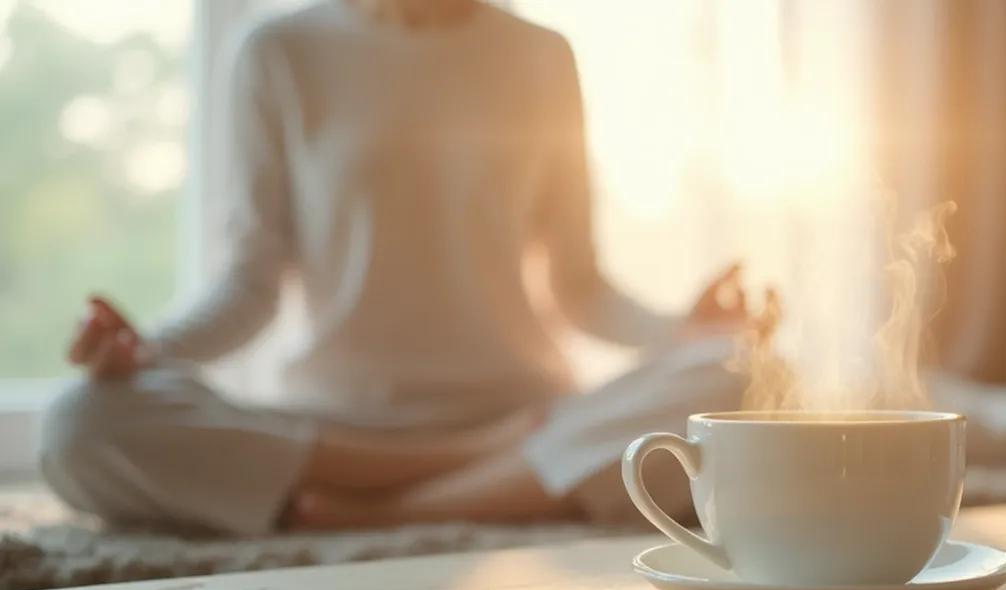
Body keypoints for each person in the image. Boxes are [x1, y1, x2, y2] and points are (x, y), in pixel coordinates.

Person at [39, 0, 747, 534]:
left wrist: (681, 331)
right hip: (341, 435)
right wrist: (148, 351)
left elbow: (578, 284)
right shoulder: (280, 52)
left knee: (736, 373)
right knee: (76, 426)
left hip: (524, 411)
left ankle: (379, 515)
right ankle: (466, 471)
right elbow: (249, 284)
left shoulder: (541, 55)